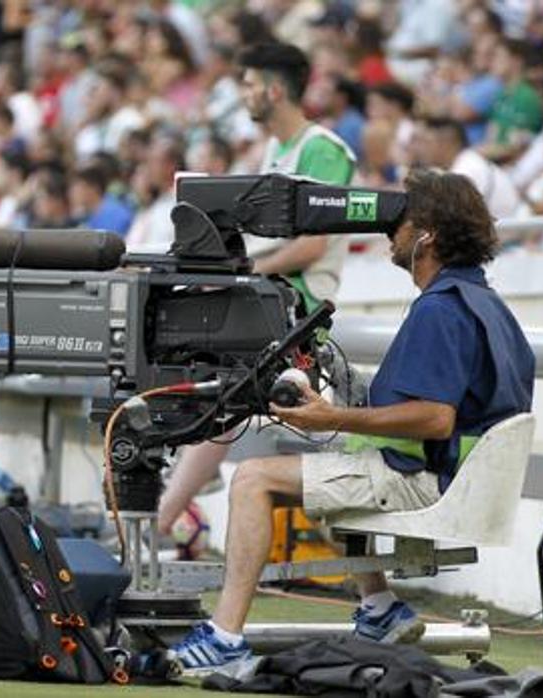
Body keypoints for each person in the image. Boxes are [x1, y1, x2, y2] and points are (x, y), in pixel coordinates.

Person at [167, 170, 535, 673]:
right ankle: (379, 608)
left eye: (399, 224)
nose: (390, 233)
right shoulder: (484, 303)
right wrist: (339, 379)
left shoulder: (440, 311)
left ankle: (225, 636)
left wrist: (329, 415)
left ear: (426, 235)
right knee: (337, 462)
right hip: (452, 474)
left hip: (429, 481)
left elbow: (433, 417)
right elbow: (432, 404)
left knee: (253, 478)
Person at [156, 41, 358, 537]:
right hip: (268, 297)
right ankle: (165, 510)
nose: (242, 95)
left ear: (272, 89)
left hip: (301, 305)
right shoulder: (276, 150)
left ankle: (159, 521)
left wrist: (246, 266)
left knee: (225, 405)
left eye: (247, 85)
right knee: (206, 395)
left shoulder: (323, 150)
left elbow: (313, 247)